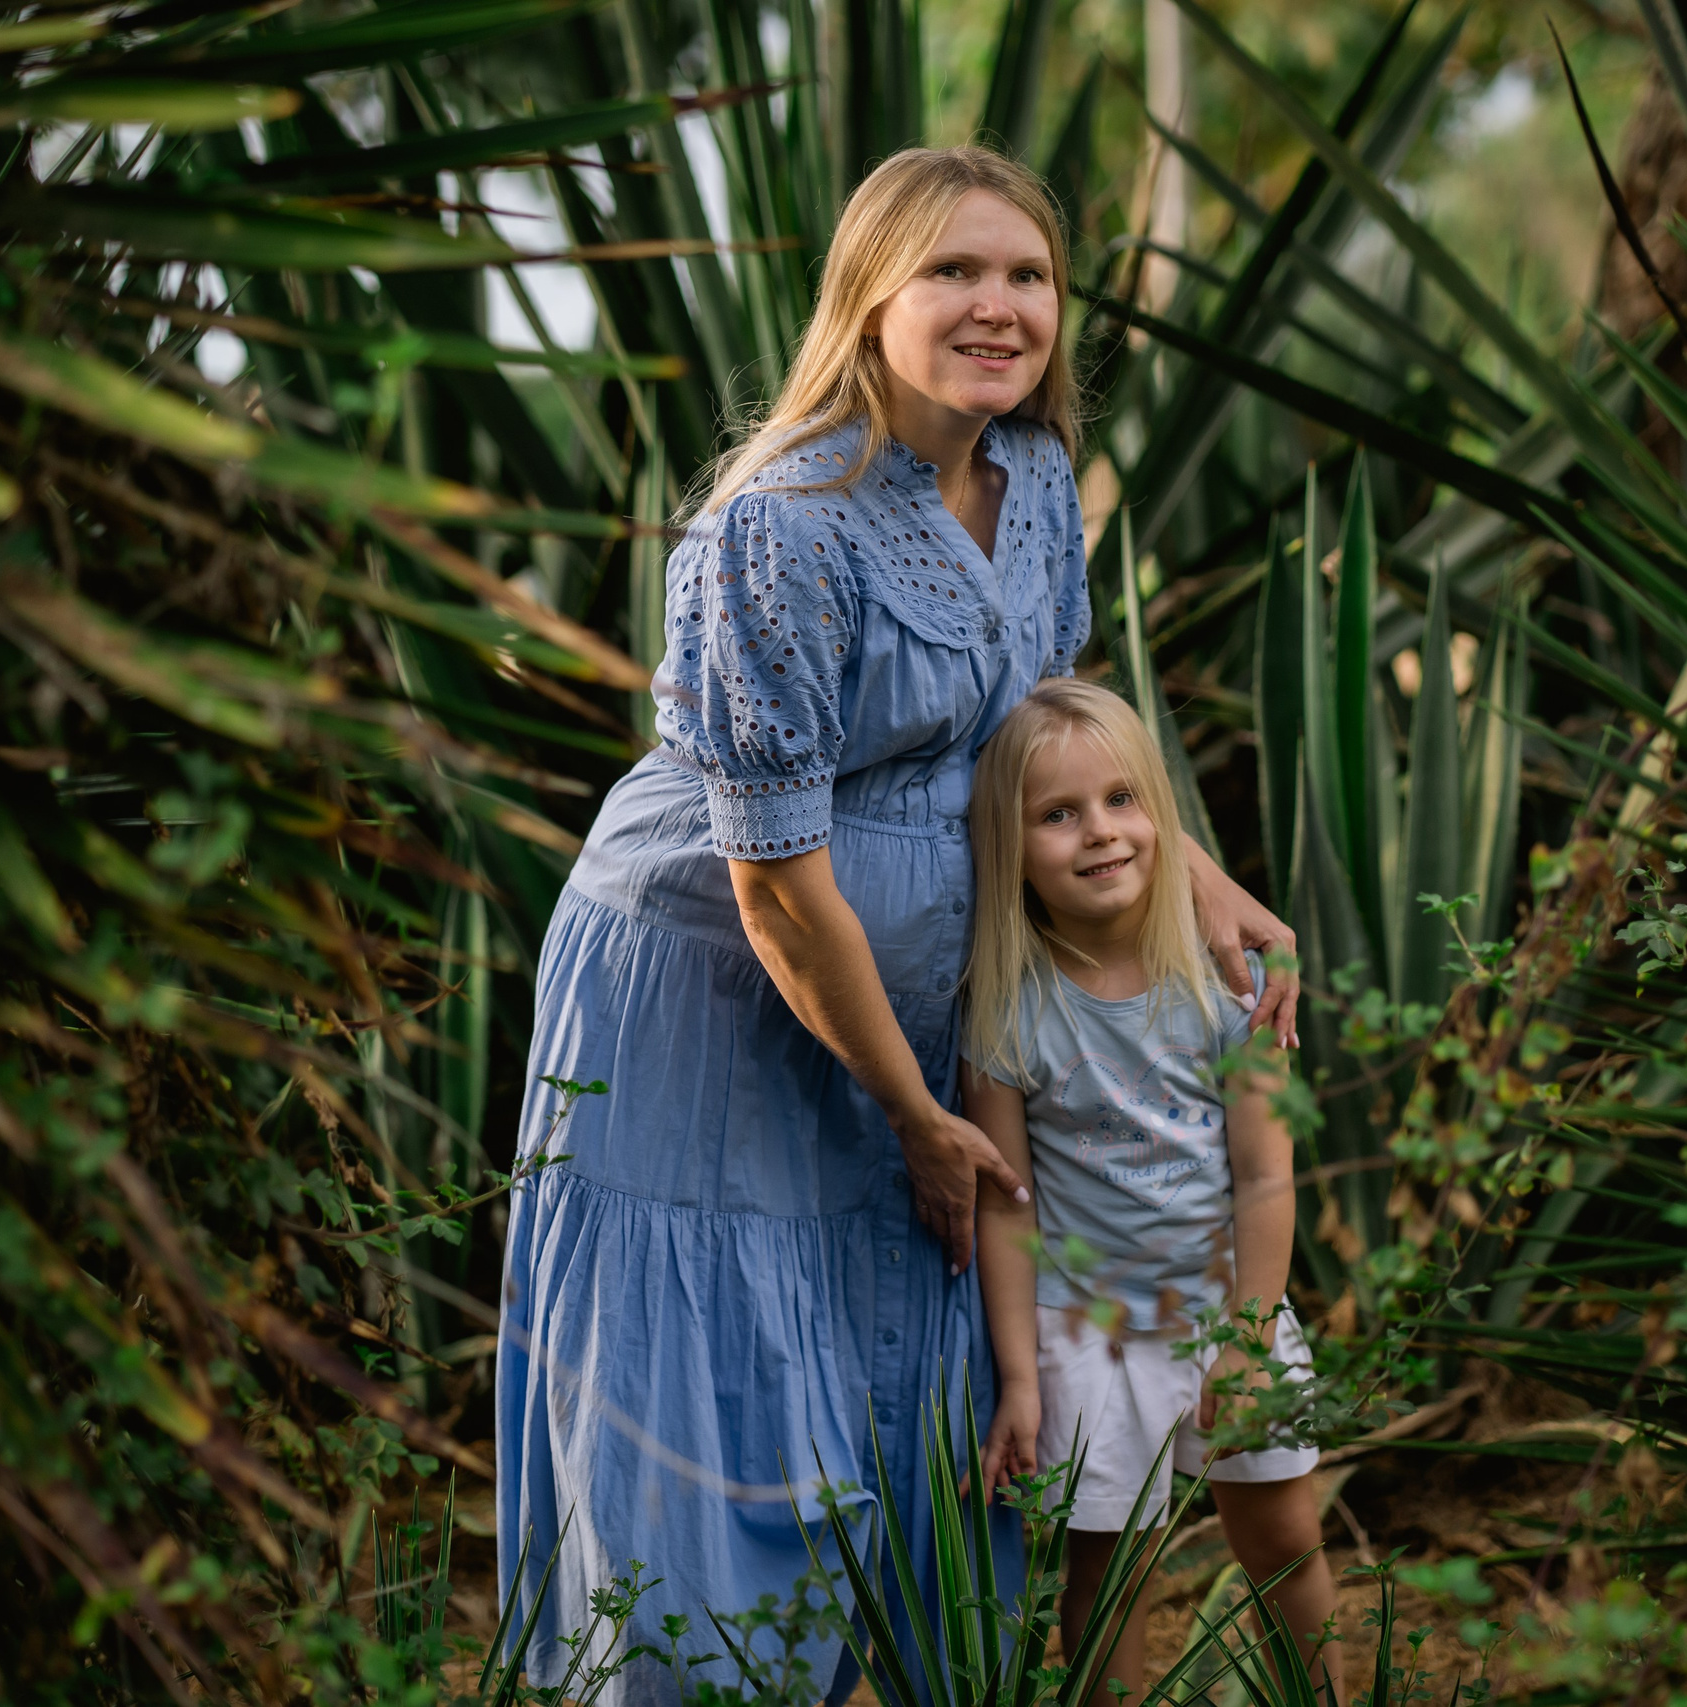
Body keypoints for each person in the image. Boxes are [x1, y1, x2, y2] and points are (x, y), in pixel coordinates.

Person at [497, 145, 1298, 1706]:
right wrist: (914, 1111)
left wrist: (1201, 882)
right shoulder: (777, 530)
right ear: (869, 298)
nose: (998, 308)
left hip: (921, 991)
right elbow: (781, 890)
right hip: (714, 991)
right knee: (736, 1343)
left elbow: (1048, 730)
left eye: (1029, 277)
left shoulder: (1036, 479)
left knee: (917, 1315)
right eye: (953, 272)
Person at [965, 679, 1343, 1702]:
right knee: (1109, 1572)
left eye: (1121, 801)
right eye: (1057, 814)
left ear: (1162, 819)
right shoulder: (1007, 1012)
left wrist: (1250, 1337)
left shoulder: (1227, 990)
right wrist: (1021, 1378)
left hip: (1224, 1310)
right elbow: (1007, 1204)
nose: (1099, 834)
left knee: (1282, 1539)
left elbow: (1267, 1175)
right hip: (1087, 1333)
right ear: (1009, 843)